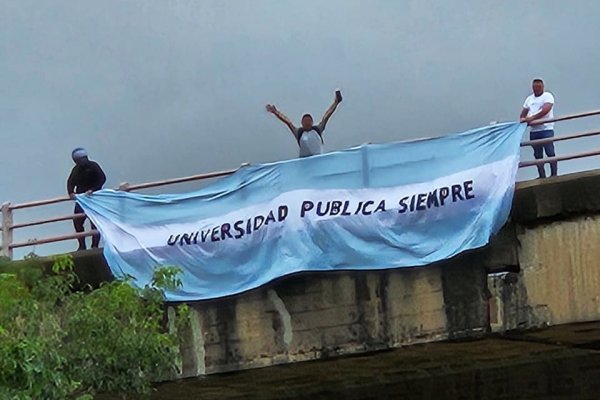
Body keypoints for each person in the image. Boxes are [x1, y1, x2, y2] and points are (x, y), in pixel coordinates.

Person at [266, 90, 343, 158]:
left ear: (312, 122)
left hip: (319, 159)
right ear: (302, 123)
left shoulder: (317, 129)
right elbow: (288, 122)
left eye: (309, 121)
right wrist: (276, 112)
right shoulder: (299, 132)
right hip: (304, 162)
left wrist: (336, 102)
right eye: (305, 121)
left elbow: (327, 115)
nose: (307, 123)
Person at [66, 147, 106, 250]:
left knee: (95, 223)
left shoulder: (93, 166)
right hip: (82, 200)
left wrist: (93, 189)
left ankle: (95, 245)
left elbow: (102, 178)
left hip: (94, 198)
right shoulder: (76, 170)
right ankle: (82, 245)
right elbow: (70, 182)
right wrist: (71, 193)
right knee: (77, 222)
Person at [520, 78, 557, 178]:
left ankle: (554, 174)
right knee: (537, 154)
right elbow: (523, 113)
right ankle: (542, 175)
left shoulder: (547, 96)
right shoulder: (529, 99)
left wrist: (532, 118)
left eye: (539, 87)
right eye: (535, 87)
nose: (537, 89)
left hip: (546, 129)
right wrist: (524, 119)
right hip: (534, 131)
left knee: (550, 152)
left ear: (543, 87)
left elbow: (545, 110)